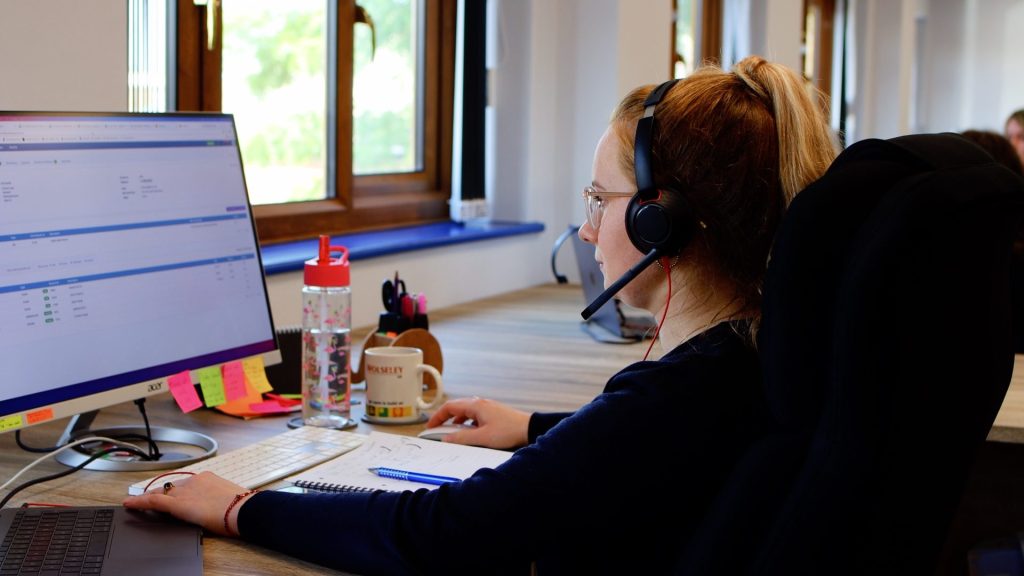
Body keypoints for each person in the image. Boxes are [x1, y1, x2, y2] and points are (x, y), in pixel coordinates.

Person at [123, 56, 839, 575]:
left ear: (662, 223)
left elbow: (438, 533)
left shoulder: (674, 393)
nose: (587, 231)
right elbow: (641, 448)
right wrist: (530, 429)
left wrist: (233, 506)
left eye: (599, 199)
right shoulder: (753, 357)